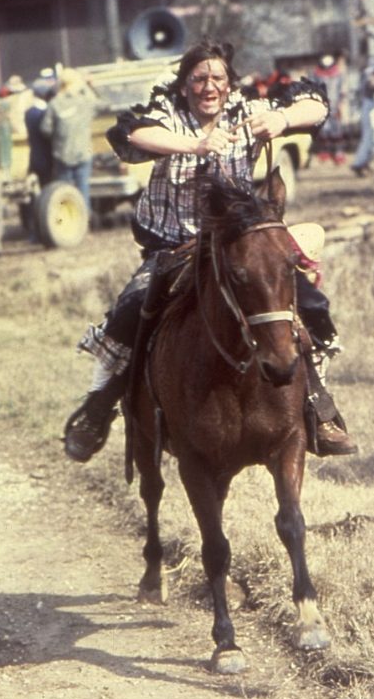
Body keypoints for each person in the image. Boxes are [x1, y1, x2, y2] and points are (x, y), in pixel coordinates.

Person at [63, 39, 356, 464]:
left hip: (234, 246)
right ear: (184, 86)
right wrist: (195, 145)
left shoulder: (247, 110)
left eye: (218, 78)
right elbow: (130, 133)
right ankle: (97, 409)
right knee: (129, 311)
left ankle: (318, 408)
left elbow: (316, 104)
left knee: (307, 304)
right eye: (199, 79)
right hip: (173, 245)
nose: (209, 87)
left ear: (229, 83)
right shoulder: (168, 114)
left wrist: (281, 118)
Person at [40, 67, 96, 212]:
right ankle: (84, 218)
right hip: (83, 152)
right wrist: (86, 84)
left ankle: (68, 218)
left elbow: (45, 129)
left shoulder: (54, 104)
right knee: (83, 187)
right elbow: (98, 104)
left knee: (64, 190)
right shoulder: (84, 101)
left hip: (62, 154)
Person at [351, 60, 374, 177]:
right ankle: (359, 164)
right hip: (370, 114)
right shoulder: (368, 80)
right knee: (370, 140)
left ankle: (364, 162)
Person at [313, 53, 348, 164]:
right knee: (323, 129)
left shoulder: (338, 74)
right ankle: (324, 151)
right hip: (322, 104)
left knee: (336, 129)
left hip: (335, 104)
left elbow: (342, 89)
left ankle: (338, 152)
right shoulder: (316, 74)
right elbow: (314, 87)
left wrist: (341, 103)